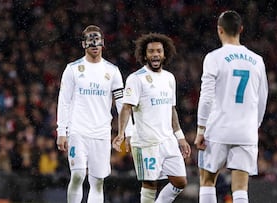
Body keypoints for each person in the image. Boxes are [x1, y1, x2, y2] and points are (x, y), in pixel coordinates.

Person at [194, 10, 268, 203]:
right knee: (241, 188)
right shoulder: (257, 61)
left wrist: (201, 128)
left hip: (218, 128)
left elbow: (207, 97)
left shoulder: (213, 57)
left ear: (219, 30)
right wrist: (254, 125)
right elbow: (262, 99)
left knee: (207, 181)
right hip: (246, 130)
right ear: (241, 29)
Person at [56, 25, 132, 203]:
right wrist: (61, 131)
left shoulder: (112, 71)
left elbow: (122, 104)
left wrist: (128, 132)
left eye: (97, 40)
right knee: (78, 175)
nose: (94, 44)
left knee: (97, 182)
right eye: (90, 41)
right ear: (84, 44)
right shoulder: (73, 69)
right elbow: (64, 101)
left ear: (103, 43)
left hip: (101, 133)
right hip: (78, 131)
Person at [112, 33, 191, 203]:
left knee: (180, 182)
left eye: (159, 51)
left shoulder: (170, 78)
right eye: (151, 51)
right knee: (150, 184)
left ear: (165, 54)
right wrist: (121, 133)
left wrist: (181, 137)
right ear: (144, 55)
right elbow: (126, 108)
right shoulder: (136, 78)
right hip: (146, 143)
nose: (155, 54)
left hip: (168, 140)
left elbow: (171, 109)